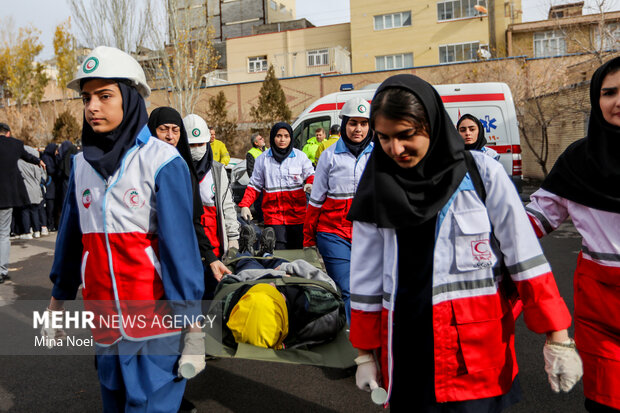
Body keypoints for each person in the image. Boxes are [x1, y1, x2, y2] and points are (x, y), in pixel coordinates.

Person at [347, 74, 582, 411]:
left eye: (406, 135)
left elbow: (524, 255)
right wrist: (363, 353)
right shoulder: (376, 185)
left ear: (431, 124)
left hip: (475, 344)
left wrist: (557, 334)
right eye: (383, 137)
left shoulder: (482, 174)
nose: (394, 149)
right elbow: (365, 277)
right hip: (407, 341)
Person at [41, 46, 206, 412]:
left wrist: (194, 328)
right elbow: (71, 240)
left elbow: (180, 251)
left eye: (104, 96)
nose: (92, 107)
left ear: (130, 98)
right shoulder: (81, 163)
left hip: (155, 320)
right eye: (86, 98)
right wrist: (57, 302)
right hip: (104, 322)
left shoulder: (162, 162)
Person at [526, 56, 620, 412]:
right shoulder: (578, 161)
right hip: (602, 311)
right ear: (597, 100)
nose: (618, 101)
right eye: (609, 92)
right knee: (607, 402)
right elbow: (536, 218)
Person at [303, 97, 373, 321]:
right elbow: (315, 201)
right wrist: (308, 239)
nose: (358, 129)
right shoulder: (329, 156)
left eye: (363, 123)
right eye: (353, 123)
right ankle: (354, 345)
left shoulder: (378, 155)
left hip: (369, 233)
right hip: (334, 233)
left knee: (370, 290)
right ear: (344, 124)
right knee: (348, 289)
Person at [147, 107, 230, 282]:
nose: (170, 136)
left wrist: (211, 256)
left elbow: (193, 220)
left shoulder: (185, 171)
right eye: (163, 129)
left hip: (182, 256)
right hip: (146, 256)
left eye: (175, 130)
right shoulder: (138, 168)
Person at [183, 113, 240, 296]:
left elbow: (226, 205)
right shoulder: (177, 168)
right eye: (192, 145)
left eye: (201, 144)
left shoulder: (217, 170)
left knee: (213, 297)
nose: (197, 149)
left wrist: (232, 237)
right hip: (188, 248)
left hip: (214, 248)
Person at [239, 122, 314, 250]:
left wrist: (310, 183)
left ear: (291, 138)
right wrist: (245, 205)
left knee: (298, 254)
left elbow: (311, 174)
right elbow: (254, 185)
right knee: (278, 255)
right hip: (274, 217)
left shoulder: (300, 157)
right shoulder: (263, 159)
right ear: (273, 137)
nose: (282, 139)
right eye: (279, 136)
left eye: (286, 136)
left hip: (297, 217)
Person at [0, 122, 45, 283]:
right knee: (3, 234)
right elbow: (28, 156)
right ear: (8, 133)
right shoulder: (16, 144)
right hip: (7, 196)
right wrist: (39, 161)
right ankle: (2, 271)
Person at [17, 144, 45, 238]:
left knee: (25, 211)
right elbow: (41, 177)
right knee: (35, 210)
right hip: (36, 189)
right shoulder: (36, 164)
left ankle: (27, 232)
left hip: (25, 189)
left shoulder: (19, 163)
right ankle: (37, 230)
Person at [246, 132, 266, 223]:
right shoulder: (251, 153)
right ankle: (261, 219)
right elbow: (250, 169)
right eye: (260, 139)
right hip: (259, 182)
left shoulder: (267, 150)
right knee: (260, 202)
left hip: (268, 181)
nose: (263, 139)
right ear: (256, 143)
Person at [41, 143, 59, 232]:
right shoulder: (46, 158)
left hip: (53, 186)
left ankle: (52, 224)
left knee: (53, 207)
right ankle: (49, 224)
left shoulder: (52, 157)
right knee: (50, 208)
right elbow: (50, 170)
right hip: (49, 185)